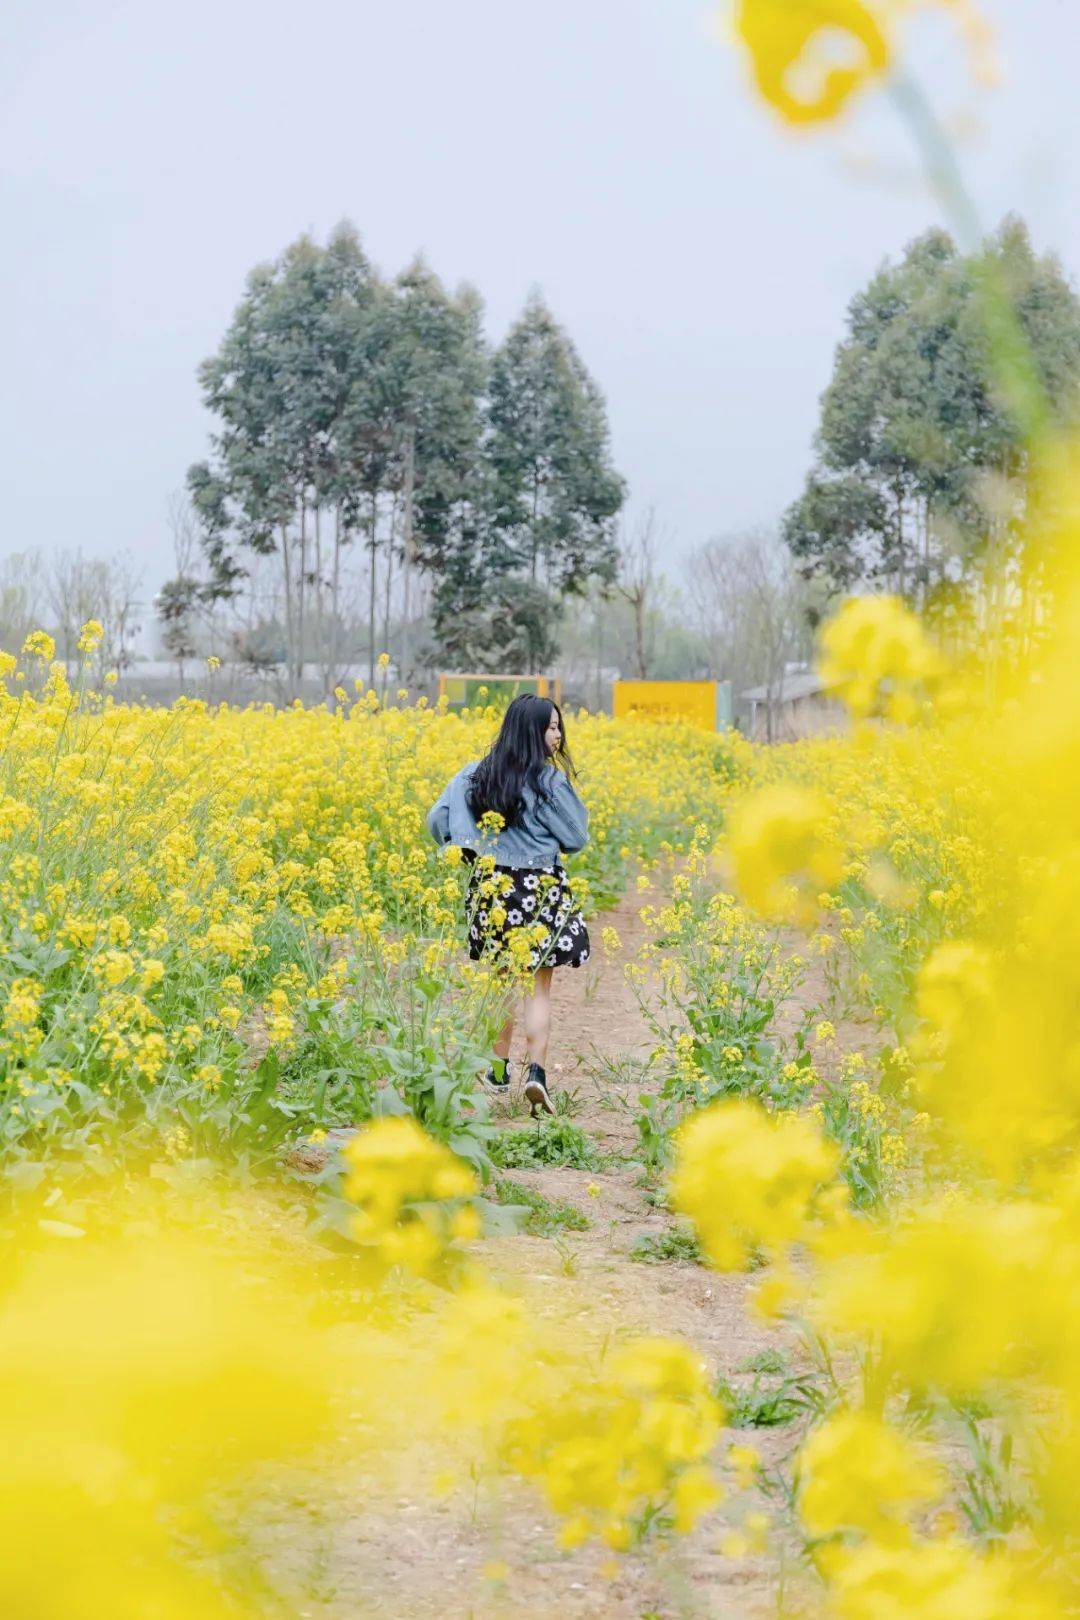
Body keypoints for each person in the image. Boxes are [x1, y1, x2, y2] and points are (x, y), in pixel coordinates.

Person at [426, 694, 590, 1116]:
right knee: (538, 989)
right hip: (540, 890)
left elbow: (437, 819)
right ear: (532, 732)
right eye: (552, 727)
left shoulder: (476, 775)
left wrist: (469, 844)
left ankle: (496, 1074)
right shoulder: (548, 782)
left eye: (559, 727)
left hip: (494, 886)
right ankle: (536, 1073)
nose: (558, 734)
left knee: (500, 983)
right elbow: (575, 838)